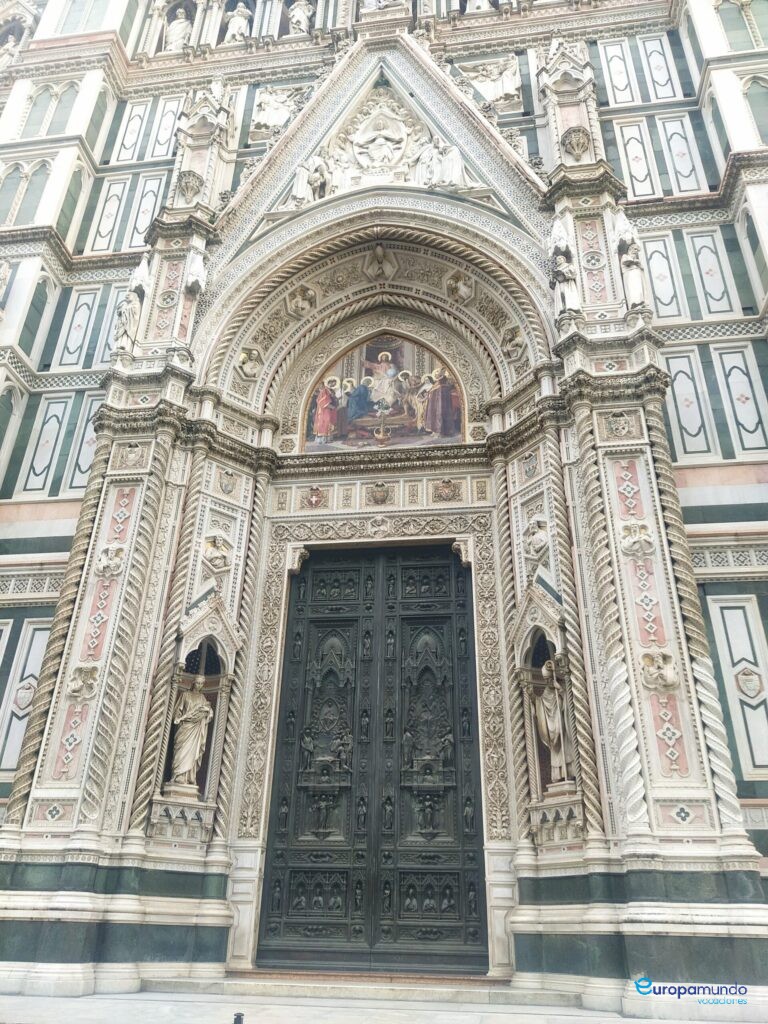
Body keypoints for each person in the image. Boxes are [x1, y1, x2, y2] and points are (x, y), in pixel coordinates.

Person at [170, 677, 213, 787]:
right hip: (185, 727)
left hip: (196, 729)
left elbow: (208, 713)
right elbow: (177, 711)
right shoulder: (185, 695)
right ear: (193, 683)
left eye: (201, 684)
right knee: (182, 750)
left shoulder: (202, 698)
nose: (199, 685)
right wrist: (180, 718)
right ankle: (178, 775)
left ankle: (189, 776)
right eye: (197, 683)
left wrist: (208, 713)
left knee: (193, 752)